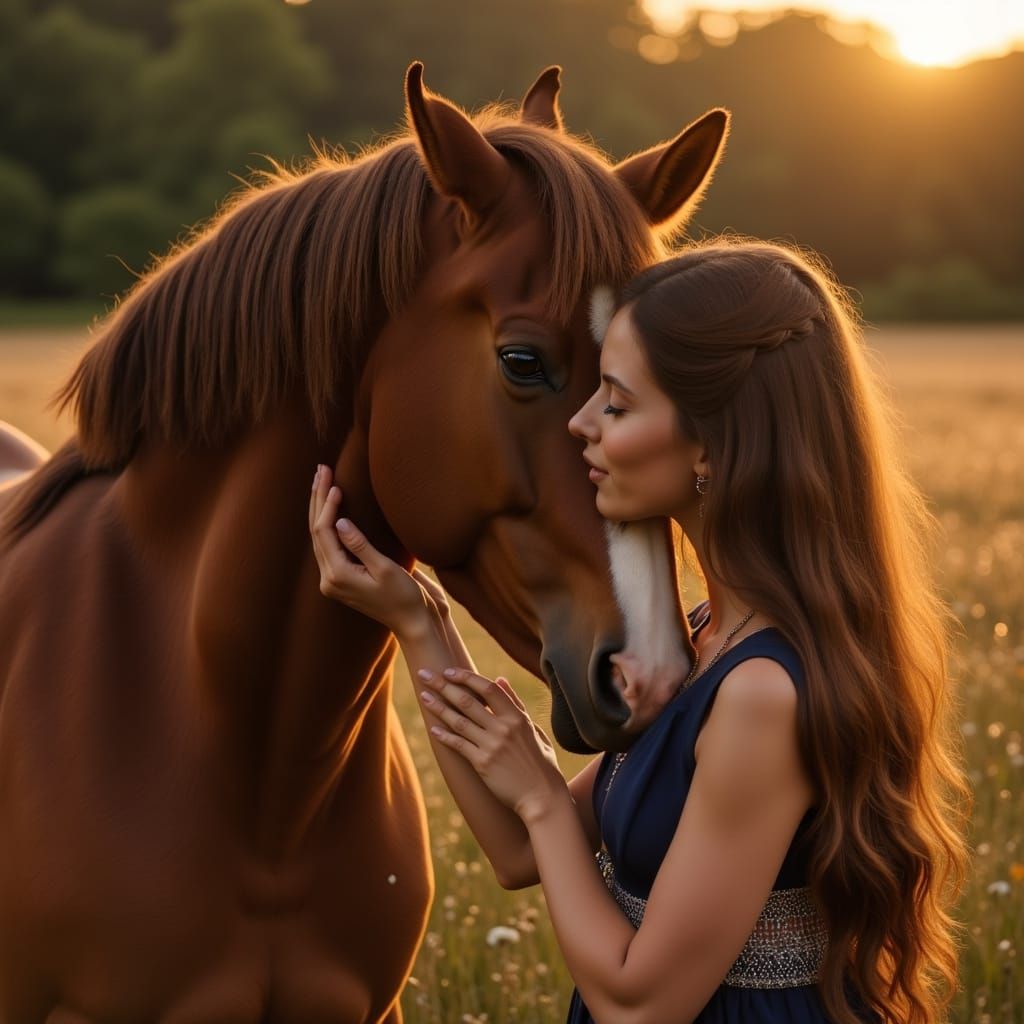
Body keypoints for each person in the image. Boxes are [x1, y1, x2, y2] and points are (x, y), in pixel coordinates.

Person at [308, 238, 968, 1024]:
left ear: (712, 447)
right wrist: (421, 622)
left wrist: (546, 802)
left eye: (616, 404)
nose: (579, 424)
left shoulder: (761, 694)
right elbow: (519, 854)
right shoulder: (704, 640)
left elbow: (638, 1004)